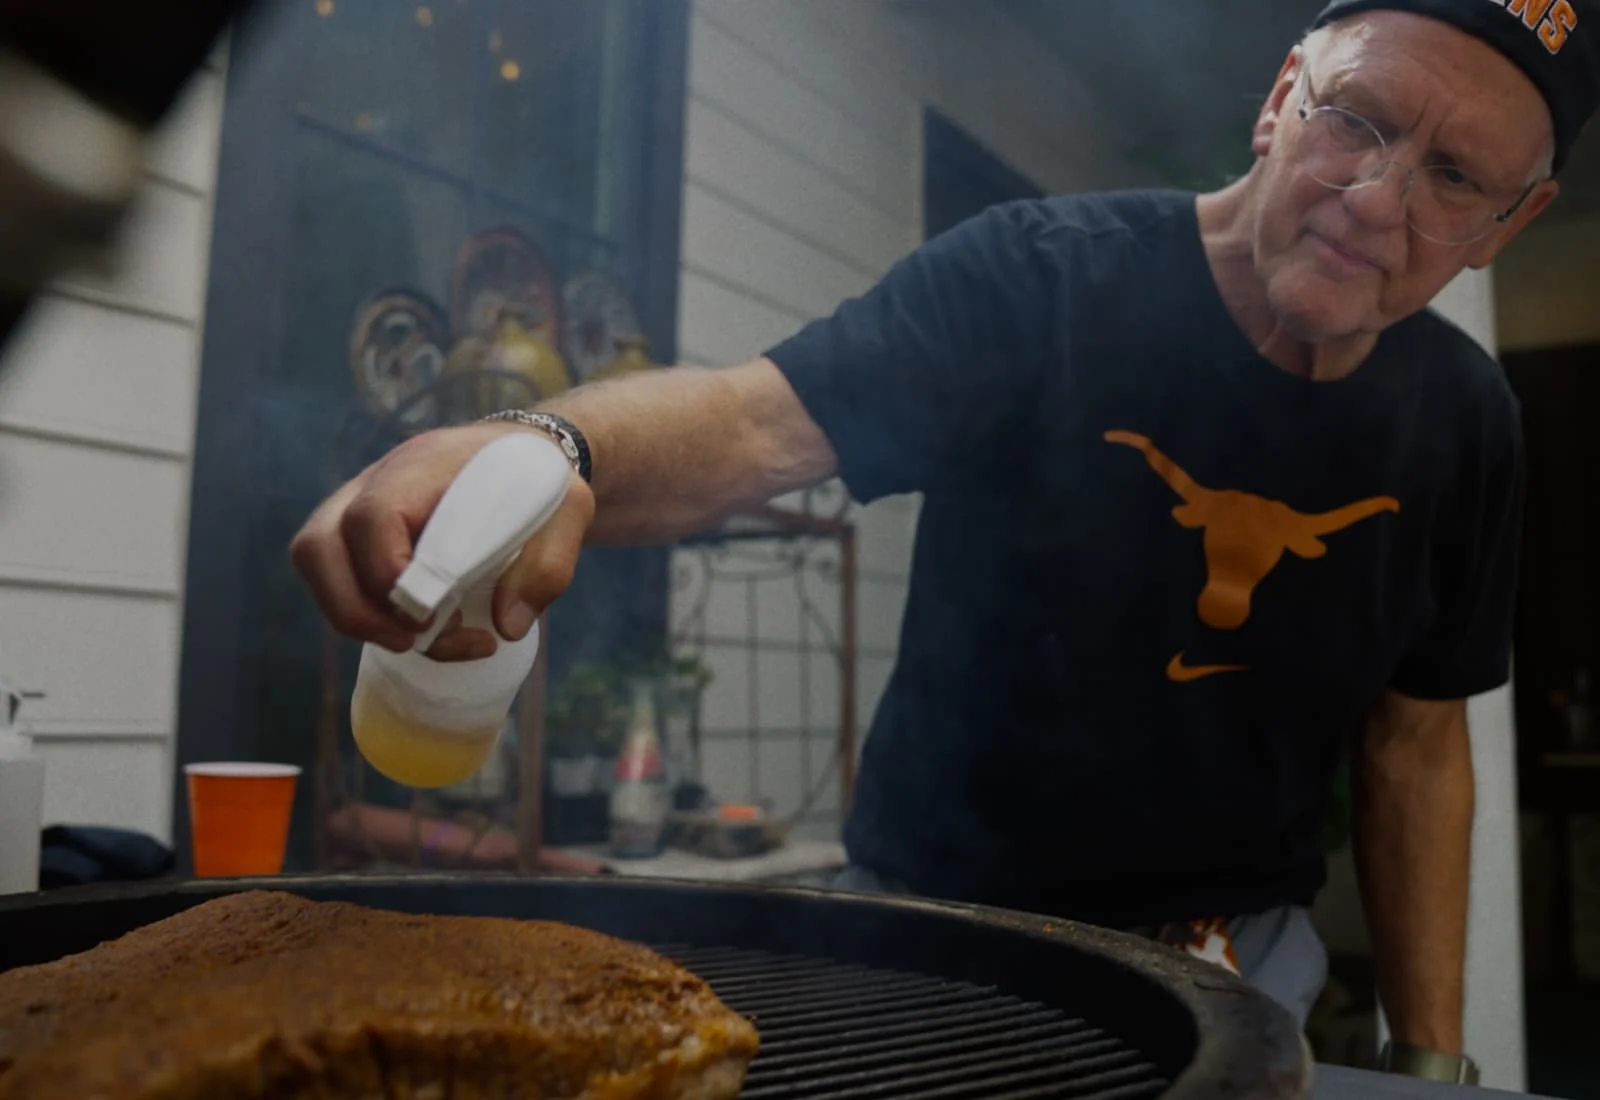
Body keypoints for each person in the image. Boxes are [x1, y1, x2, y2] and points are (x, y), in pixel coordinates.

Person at [291, 0, 1600, 1082]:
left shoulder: (1464, 422)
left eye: (1453, 178)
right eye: (1356, 122)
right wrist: (547, 449)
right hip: (936, 936)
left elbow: (1416, 741)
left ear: (1506, 225)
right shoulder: (1043, 278)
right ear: (1280, 101)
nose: (1376, 200)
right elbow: (751, 422)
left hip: (1241, 962)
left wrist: (1432, 1062)